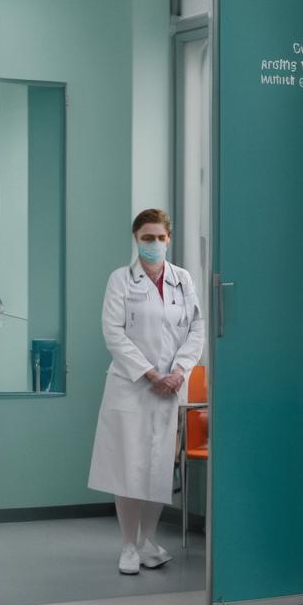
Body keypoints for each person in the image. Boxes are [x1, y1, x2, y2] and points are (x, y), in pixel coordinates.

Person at [88, 209, 204, 575]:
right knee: (129, 466)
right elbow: (113, 333)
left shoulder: (183, 280)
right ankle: (127, 545)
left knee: (157, 467)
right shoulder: (121, 280)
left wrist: (180, 370)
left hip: (170, 388)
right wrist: (152, 373)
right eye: (146, 238)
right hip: (131, 386)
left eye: (159, 238)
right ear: (136, 239)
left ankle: (148, 541)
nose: (153, 244)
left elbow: (196, 329)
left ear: (169, 239)